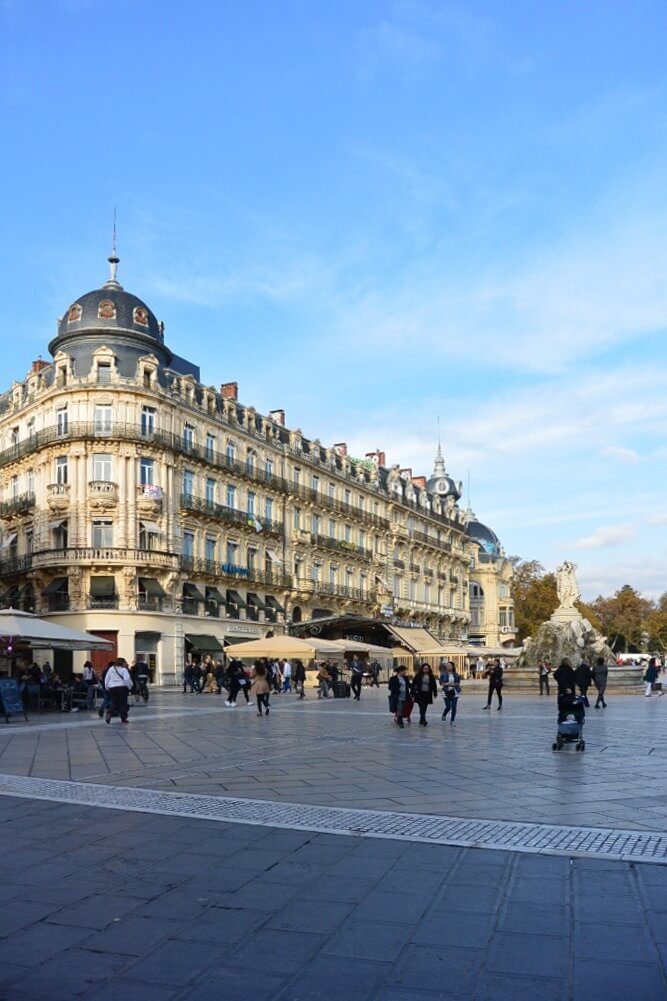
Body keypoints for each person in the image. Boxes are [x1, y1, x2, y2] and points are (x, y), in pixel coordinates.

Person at [104, 658, 132, 725]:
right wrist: (129, 687)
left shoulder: (111, 669)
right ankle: (123, 719)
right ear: (123, 663)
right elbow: (126, 679)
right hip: (122, 687)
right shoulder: (124, 670)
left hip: (112, 688)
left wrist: (106, 686)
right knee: (123, 703)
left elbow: (107, 678)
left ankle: (109, 713)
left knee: (114, 702)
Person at [440, 661, 461, 726]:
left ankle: (452, 720)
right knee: (448, 706)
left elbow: (458, 682)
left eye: (450, 665)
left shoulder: (456, 674)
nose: (448, 666)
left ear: (453, 667)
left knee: (454, 706)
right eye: (447, 665)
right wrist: (447, 684)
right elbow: (441, 683)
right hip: (446, 691)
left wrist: (454, 684)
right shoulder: (443, 674)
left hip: (455, 691)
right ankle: (444, 714)